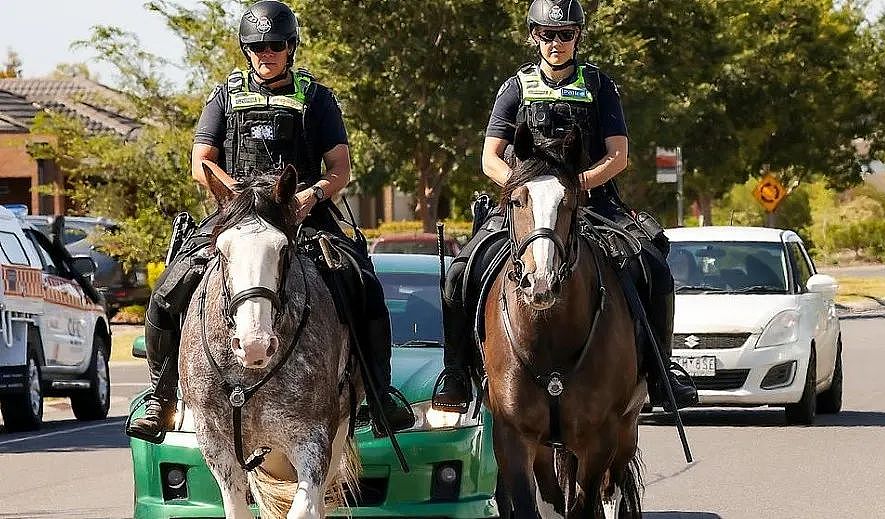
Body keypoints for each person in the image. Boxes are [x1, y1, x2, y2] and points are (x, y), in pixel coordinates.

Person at [127, 0, 413, 443]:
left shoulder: (317, 99)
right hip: (236, 218)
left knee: (362, 283)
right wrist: (238, 196)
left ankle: (378, 392)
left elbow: (340, 167)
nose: (267, 53)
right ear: (247, 50)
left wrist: (310, 194)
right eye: (258, 46)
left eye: (275, 45)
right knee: (170, 288)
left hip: (302, 217)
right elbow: (200, 162)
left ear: (290, 47)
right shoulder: (223, 97)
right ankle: (160, 394)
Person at [431, 0, 698, 413]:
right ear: (533, 35)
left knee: (655, 268)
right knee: (460, 273)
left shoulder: (599, 86)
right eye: (547, 34)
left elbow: (619, 155)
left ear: (578, 37)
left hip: (591, 204)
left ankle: (662, 371)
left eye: (565, 35)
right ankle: (457, 373)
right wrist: (525, 190)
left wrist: (578, 186)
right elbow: (489, 158)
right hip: (523, 208)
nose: (556, 43)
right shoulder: (514, 87)